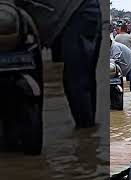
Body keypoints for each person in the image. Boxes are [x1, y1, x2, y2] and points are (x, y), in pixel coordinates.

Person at [24, 0, 102, 128]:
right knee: (81, 78)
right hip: (67, 13)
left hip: (73, 12)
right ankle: (88, 134)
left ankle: (86, 134)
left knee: (78, 79)